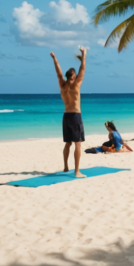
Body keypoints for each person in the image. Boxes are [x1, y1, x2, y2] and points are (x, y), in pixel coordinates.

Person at [51, 48, 86, 177]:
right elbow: (82, 70)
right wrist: (84, 55)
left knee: (68, 143)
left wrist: (54, 58)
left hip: (66, 116)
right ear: (74, 77)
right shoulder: (76, 84)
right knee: (78, 144)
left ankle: (66, 166)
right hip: (76, 116)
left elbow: (58, 72)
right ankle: (77, 171)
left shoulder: (62, 85)